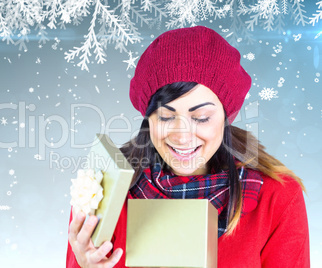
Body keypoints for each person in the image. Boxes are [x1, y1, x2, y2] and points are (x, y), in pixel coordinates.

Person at [66, 26, 310, 268]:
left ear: (226, 117)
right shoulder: (104, 191)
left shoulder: (277, 198)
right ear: (147, 119)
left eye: (201, 117)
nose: (182, 137)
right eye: (165, 117)